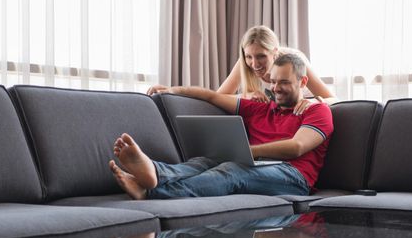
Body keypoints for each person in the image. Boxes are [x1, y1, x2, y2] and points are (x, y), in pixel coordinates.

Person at [109, 53, 333, 200]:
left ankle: (152, 192)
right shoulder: (261, 108)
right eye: (273, 81)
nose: (275, 88)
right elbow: (212, 96)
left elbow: (296, 147)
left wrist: (245, 151)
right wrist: (172, 90)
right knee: (205, 162)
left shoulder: (316, 110)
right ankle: (155, 171)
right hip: (256, 165)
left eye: (284, 82)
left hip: (294, 177)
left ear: (303, 82)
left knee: (233, 170)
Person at [148, 25, 337, 115]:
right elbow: (216, 98)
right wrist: (171, 91)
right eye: (249, 57)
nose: (254, 64)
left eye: (261, 56)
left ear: (275, 52)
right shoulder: (244, 65)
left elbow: (334, 99)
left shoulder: (295, 61)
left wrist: (312, 104)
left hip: (301, 118)